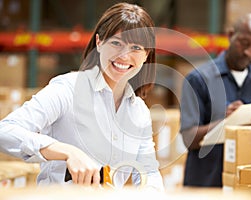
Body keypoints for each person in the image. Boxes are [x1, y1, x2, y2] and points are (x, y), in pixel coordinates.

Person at [0, 2, 164, 190]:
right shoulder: (68, 89)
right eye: (116, 43)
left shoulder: (139, 111)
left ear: (146, 55)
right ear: (99, 43)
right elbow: (5, 131)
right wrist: (67, 152)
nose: (124, 56)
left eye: (136, 48)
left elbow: (148, 172)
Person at [179, 13, 251, 187]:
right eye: (244, 43)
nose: (248, 52)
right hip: (205, 188)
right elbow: (189, 138)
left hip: (248, 188)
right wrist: (225, 123)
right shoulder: (198, 80)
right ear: (230, 35)